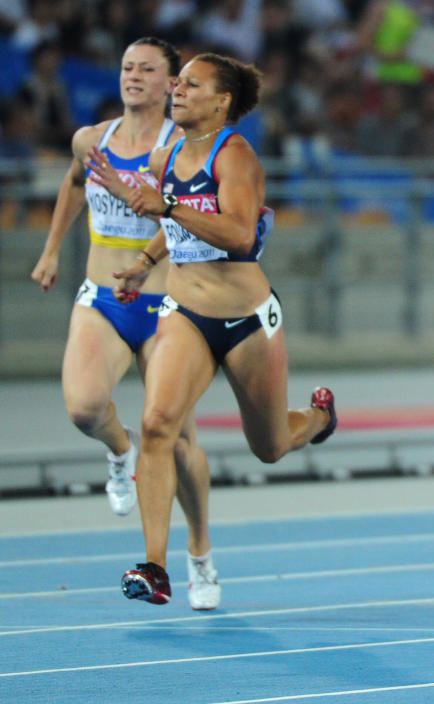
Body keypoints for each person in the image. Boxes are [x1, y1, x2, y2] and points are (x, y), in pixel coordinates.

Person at [88, 51, 338, 606]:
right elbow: (170, 223)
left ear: (221, 102)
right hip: (184, 313)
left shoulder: (237, 156)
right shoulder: (167, 152)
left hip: (247, 320)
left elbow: (241, 235)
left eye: (191, 84)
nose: (176, 89)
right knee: (157, 427)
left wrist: (169, 206)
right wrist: (148, 262)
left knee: (269, 447)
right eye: (177, 82)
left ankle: (319, 417)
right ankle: (155, 567)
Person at [30, 37, 223, 611]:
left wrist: (145, 263)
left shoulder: (182, 150)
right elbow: (72, 184)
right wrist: (51, 249)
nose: (133, 76)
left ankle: (200, 553)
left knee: (182, 443)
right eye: (126, 67)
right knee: (85, 407)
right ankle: (120, 451)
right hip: (102, 299)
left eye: (147, 70)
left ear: (171, 85)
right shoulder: (92, 140)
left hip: (166, 309)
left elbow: (190, 218)